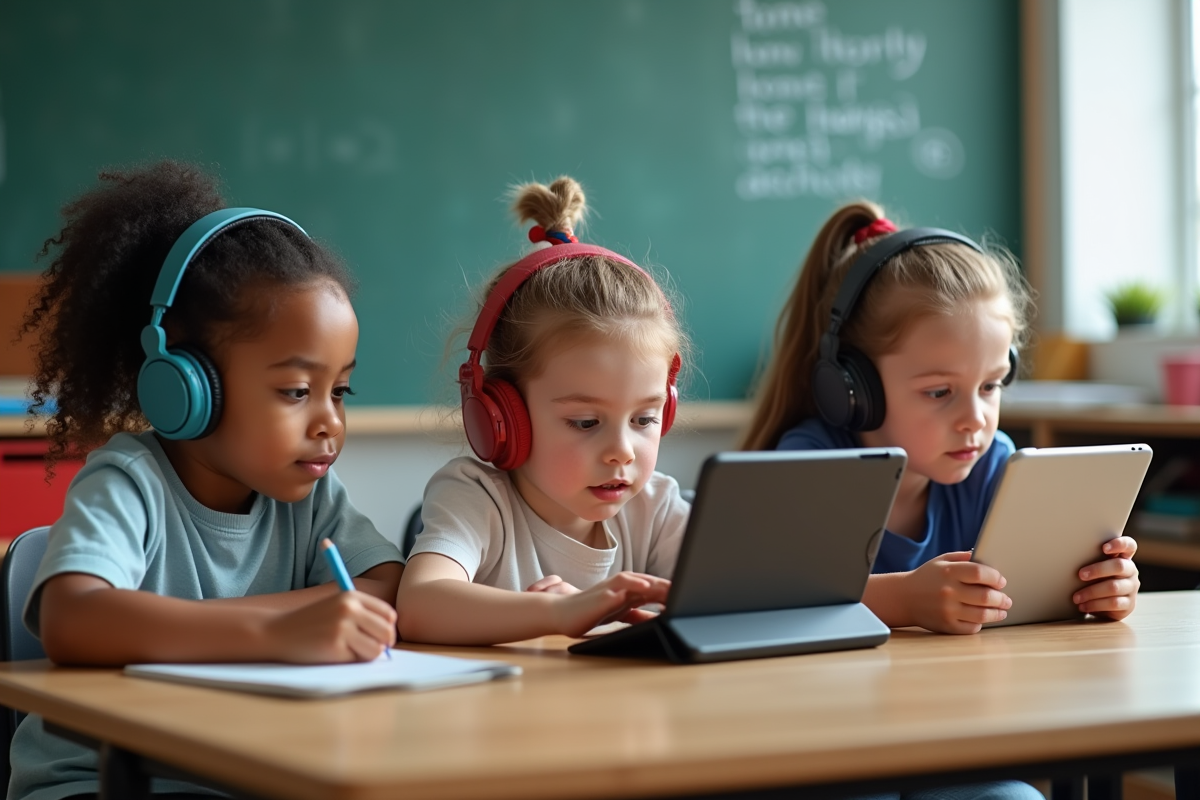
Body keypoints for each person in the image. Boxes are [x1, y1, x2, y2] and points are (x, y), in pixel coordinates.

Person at [11, 161, 403, 800]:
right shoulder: (129, 483)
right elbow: (71, 616)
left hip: (237, 774)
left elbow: (383, 585)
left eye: (342, 391)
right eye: (297, 391)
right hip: (97, 781)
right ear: (186, 388)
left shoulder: (312, 499)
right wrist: (276, 630)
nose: (329, 421)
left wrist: (324, 622)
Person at [741, 201, 1140, 638]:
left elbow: (1022, 601)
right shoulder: (810, 466)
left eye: (991, 386)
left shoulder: (995, 468)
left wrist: (1097, 587)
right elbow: (769, 603)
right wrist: (906, 599)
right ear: (853, 390)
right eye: (939, 392)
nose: (974, 420)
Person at [396, 176, 689, 645]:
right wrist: (556, 613)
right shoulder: (476, 498)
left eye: (644, 420)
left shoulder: (655, 507)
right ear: (503, 418)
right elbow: (418, 605)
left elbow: (734, 601)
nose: (621, 452)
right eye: (586, 422)